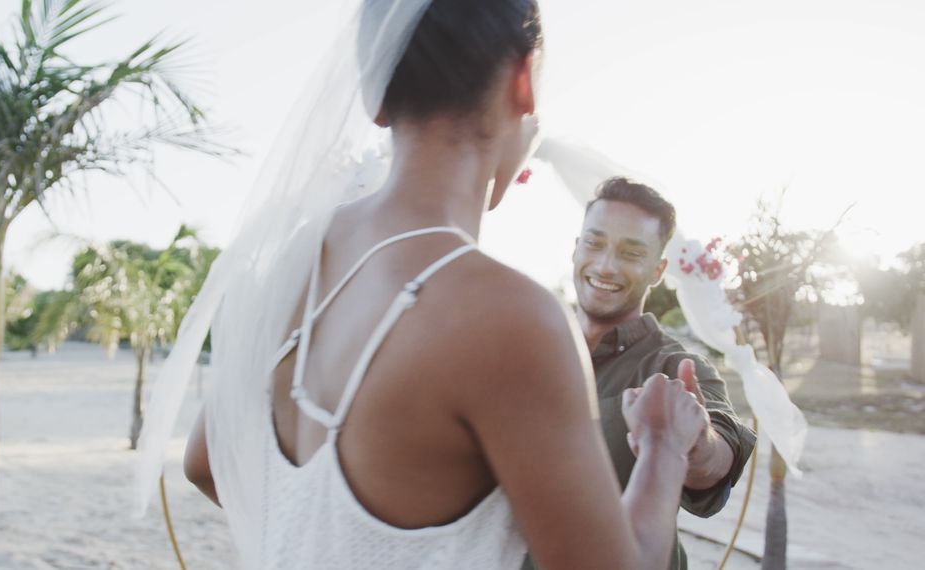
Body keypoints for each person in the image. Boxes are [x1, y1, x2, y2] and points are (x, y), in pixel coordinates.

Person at [180, 1, 706, 568]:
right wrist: (662, 446)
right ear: (523, 81)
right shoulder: (510, 319)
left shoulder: (300, 258)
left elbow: (204, 462)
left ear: (374, 97)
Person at [523, 178, 757, 570]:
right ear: (575, 247)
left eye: (631, 252)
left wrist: (695, 443)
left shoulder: (675, 367)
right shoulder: (526, 352)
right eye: (594, 243)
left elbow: (718, 454)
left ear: (657, 270)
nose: (605, 265)